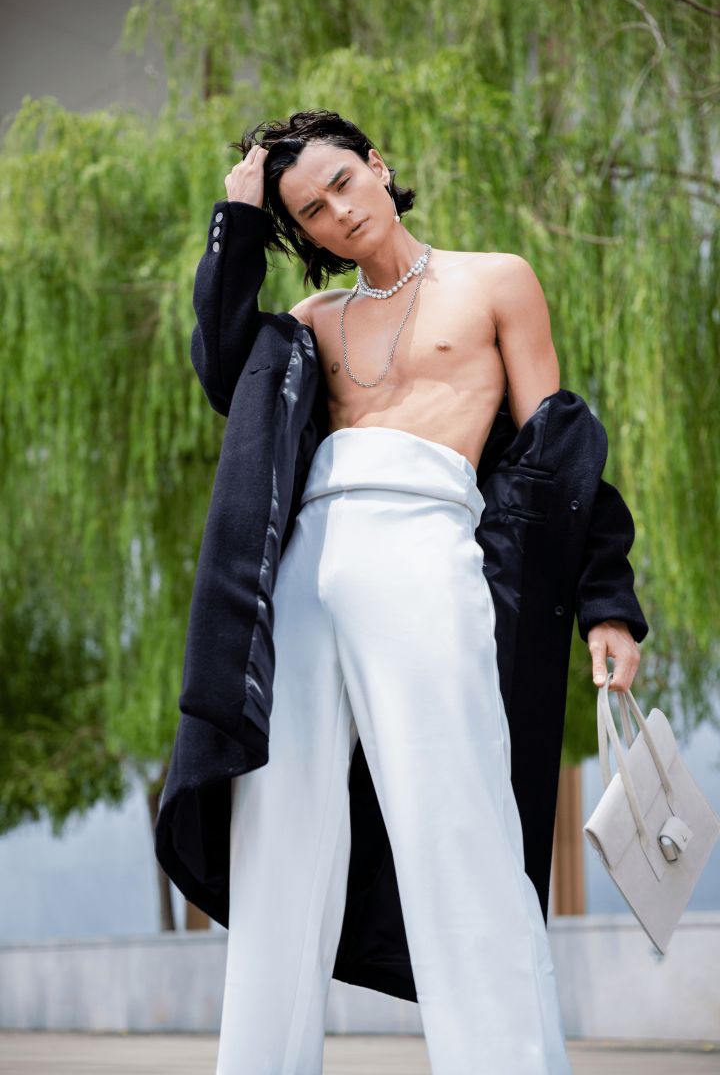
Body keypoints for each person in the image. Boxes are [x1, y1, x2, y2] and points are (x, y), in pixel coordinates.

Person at [203, 111, 640, 1074]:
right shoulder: (313, 326)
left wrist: (607, 602)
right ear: (303, 231)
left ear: (378, 166)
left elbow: (556, 449)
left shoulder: (494, 280)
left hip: (429, 551)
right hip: (309, 567)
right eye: (309, 212)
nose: (337, 213)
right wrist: (236, 221)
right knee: (275, 838)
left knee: (458, 822)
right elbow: (223, 375)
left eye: (343, 185)